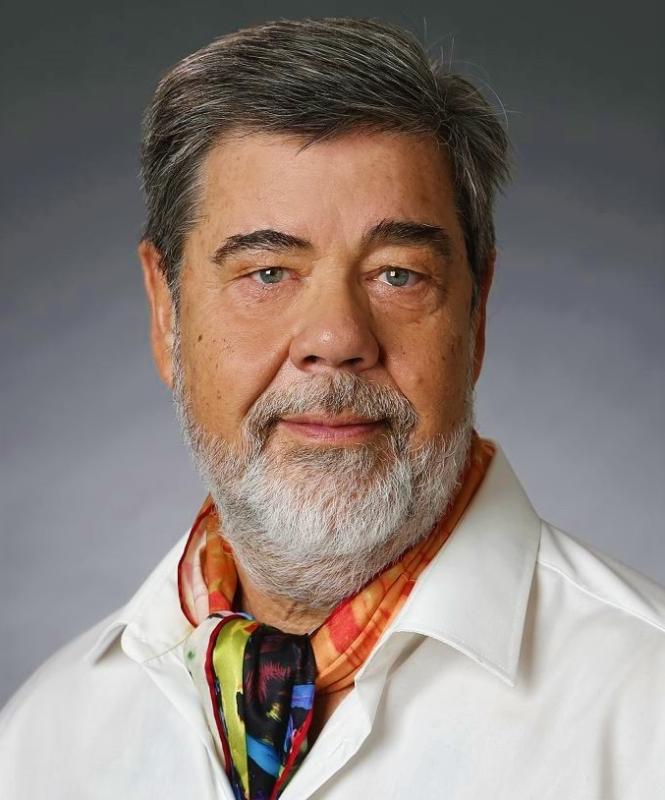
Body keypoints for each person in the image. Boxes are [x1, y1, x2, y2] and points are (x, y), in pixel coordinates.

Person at [1, 16, 663, 800]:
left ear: (476, 310)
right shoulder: (45, 736)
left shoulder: (645, 704)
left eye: (397, 274)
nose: (336, 339)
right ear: (165, 311)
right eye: (268, 272)